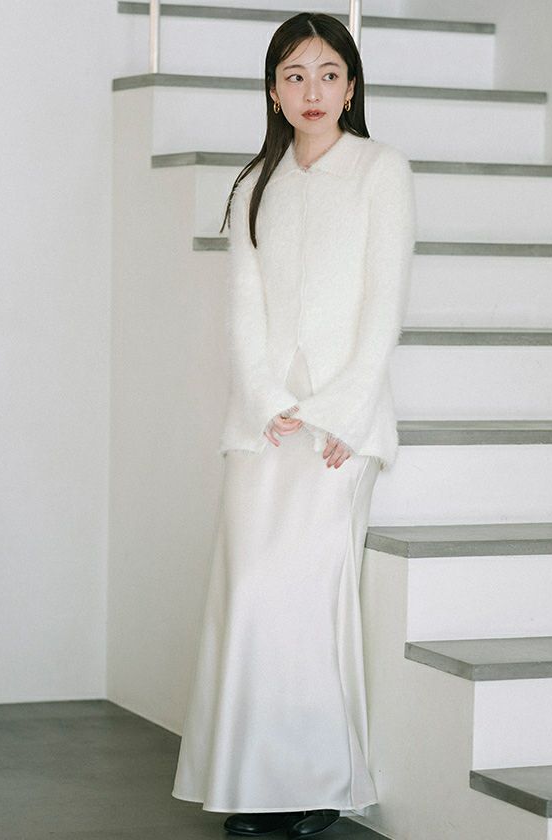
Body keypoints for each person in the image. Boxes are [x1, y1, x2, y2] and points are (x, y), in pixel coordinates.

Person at [171, 11, 416, 839]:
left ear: (351, 86)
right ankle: (251, 783)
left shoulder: (381, 170)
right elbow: (244, 307)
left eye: (328, 73)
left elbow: (384, 302)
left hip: (341, 430)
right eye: (295, 75)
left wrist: (344, 409)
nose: (313, 90)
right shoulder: (255, 184)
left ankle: (316, 782)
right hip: (266, 424)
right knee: (249, 596)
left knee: (308, 601)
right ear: (273, 92)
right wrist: (266, 398)